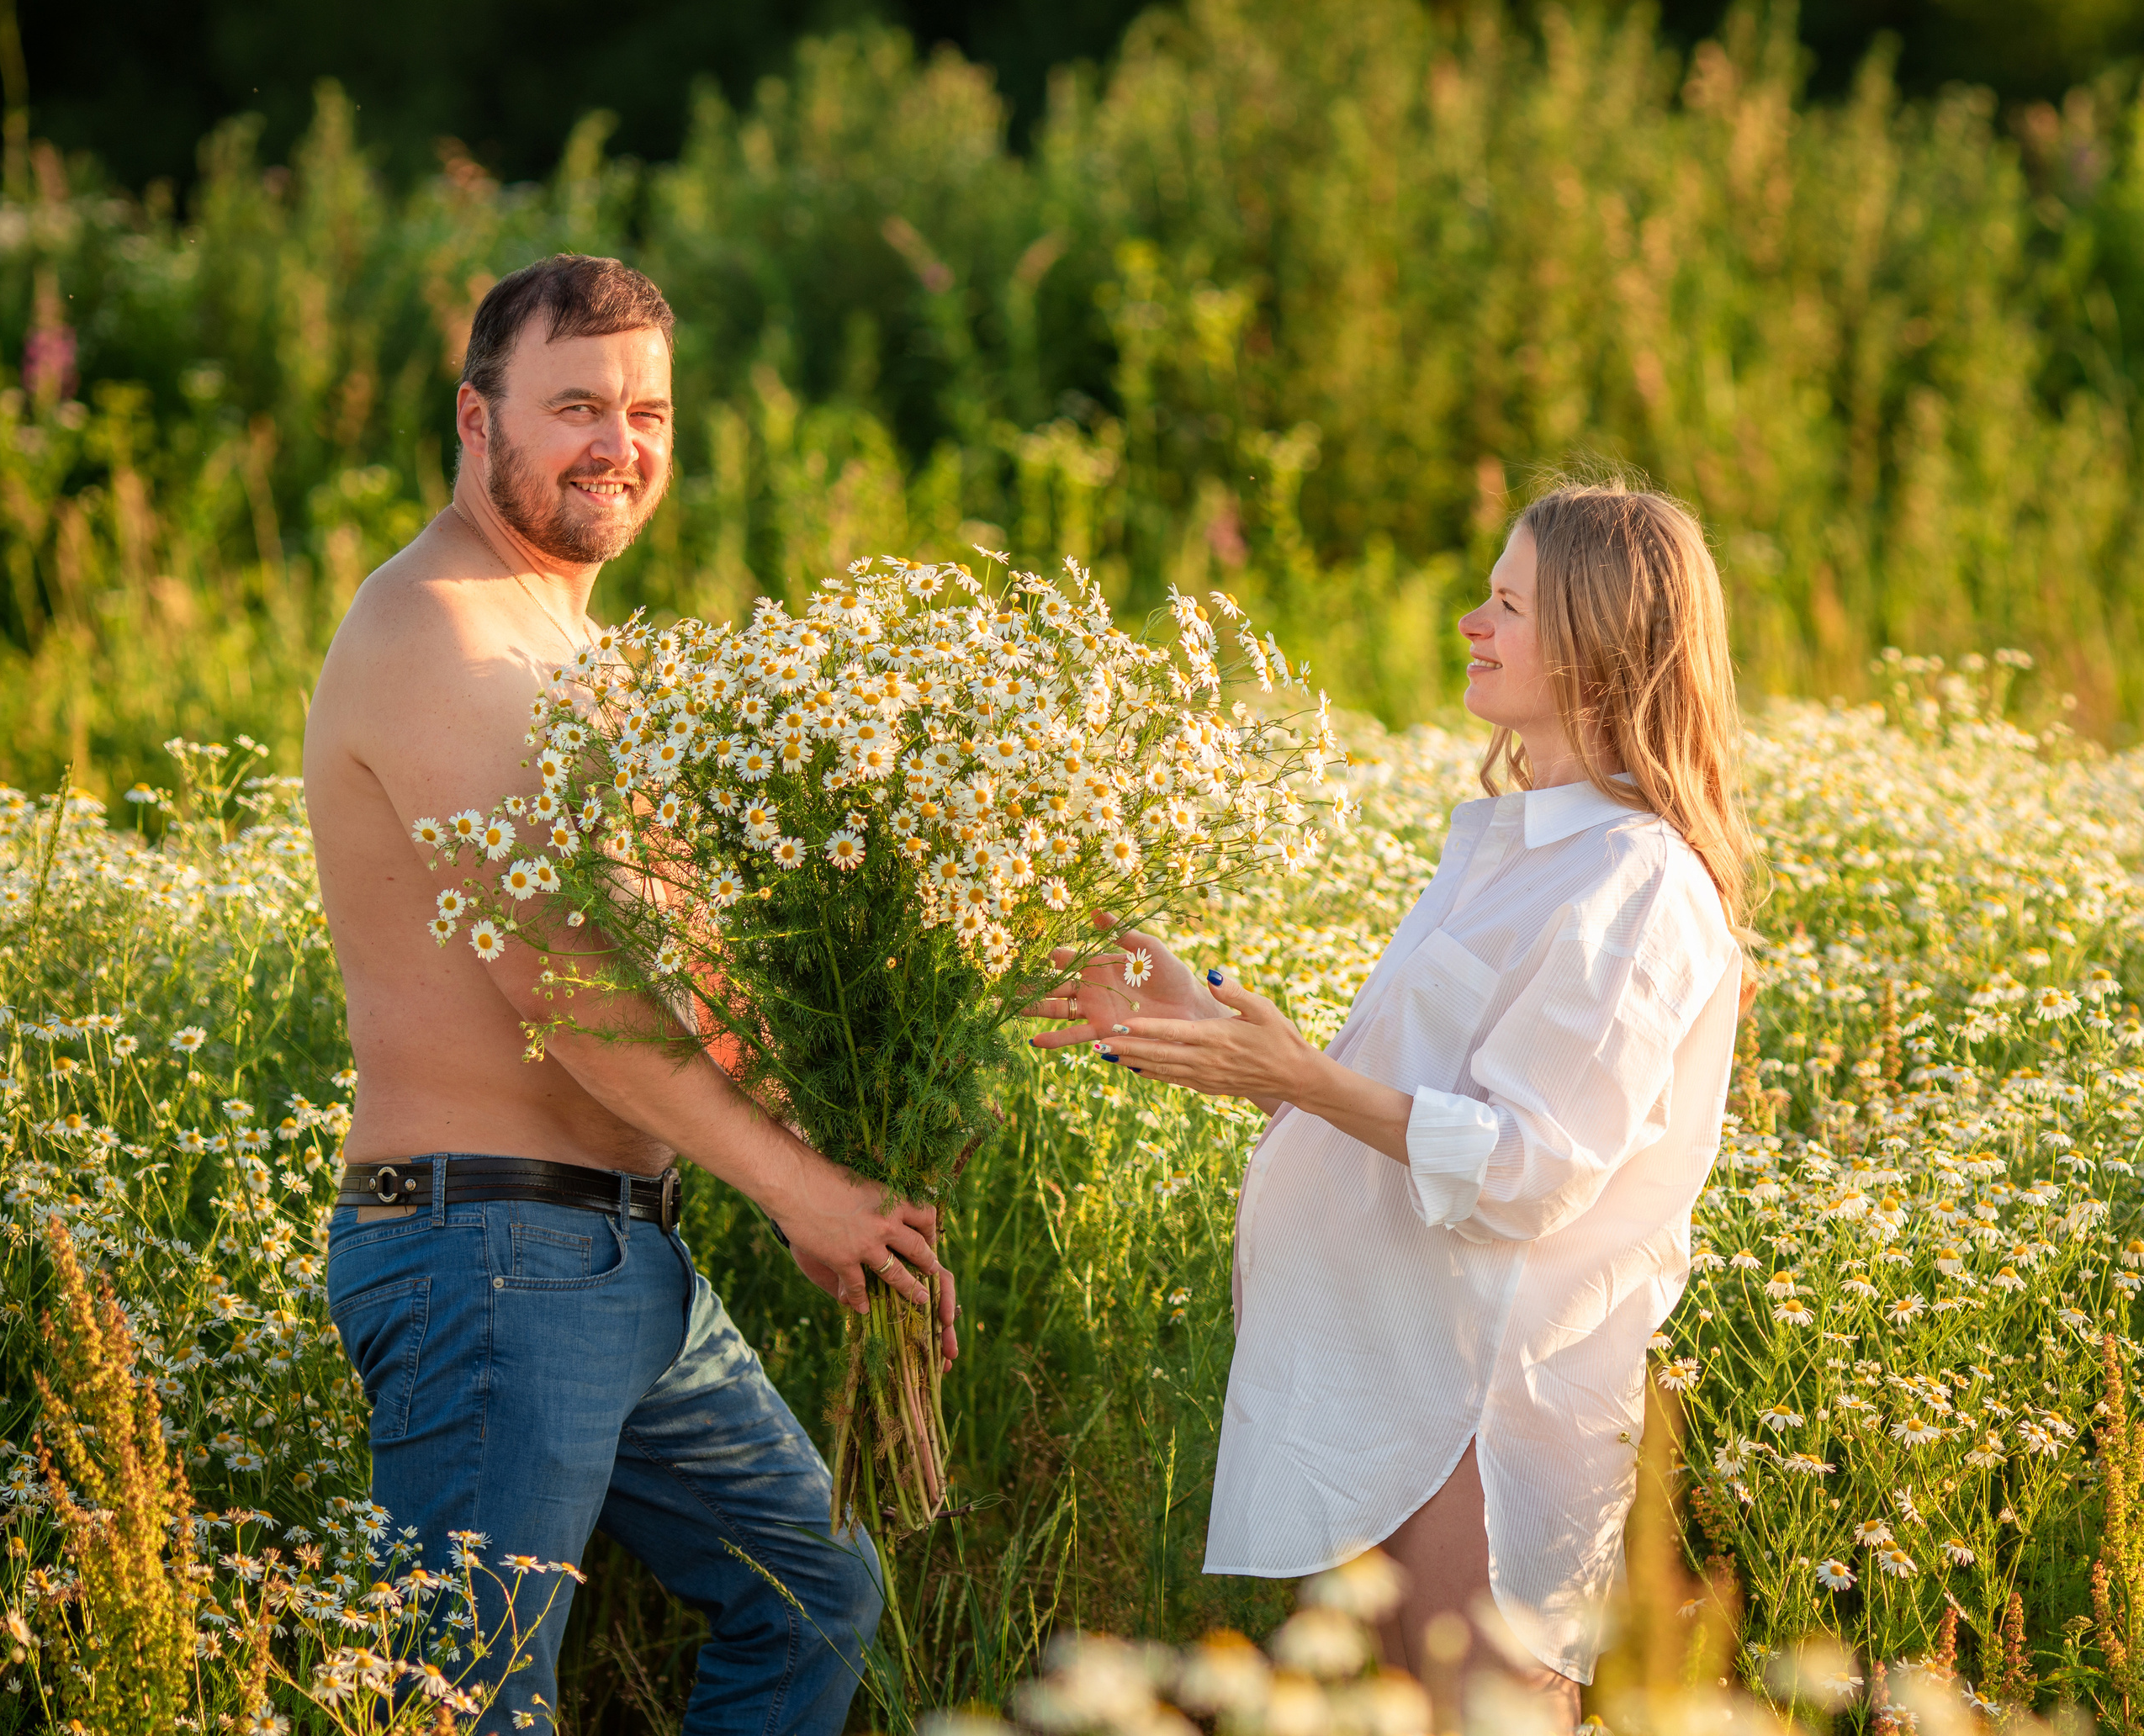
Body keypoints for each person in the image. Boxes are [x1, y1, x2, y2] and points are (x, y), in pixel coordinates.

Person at [303, 253, 959, 1734]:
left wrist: (838, 1127)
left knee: (811, 1588)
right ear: (478, 423)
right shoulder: (443, 633)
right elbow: (576, 993)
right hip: (490, 1251)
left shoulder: (562, 641)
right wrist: (799, 1192)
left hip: (614, 1258)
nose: (621, 444)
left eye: (647, 409)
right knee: (467, 1703)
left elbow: (685, 970)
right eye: (575, 406)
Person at [1030, 480, 1760, 1728]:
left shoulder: (1635, 883)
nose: (1474, 623)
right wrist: (1212, 1037)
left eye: (1511, 603)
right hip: (1394, 1386)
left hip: (1488, 1412)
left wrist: (1300, 1076)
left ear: (1599, 640)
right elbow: (1414, 1112)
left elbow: (1534, 1168)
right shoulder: (1512, 850)